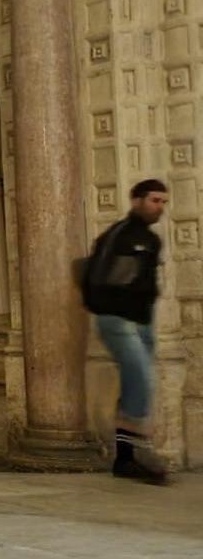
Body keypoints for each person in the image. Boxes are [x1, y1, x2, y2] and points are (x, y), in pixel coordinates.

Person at [82, 179, 169, 484]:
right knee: (141, 383)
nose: (159, 207)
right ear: (136, 201)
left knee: (135, 385)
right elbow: (109, 283)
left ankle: (125, 460)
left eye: (162, 202)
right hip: (118, 321)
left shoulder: (150, 239)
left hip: (140, 322)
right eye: (154, 200)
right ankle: (141, 451)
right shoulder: (120, 236)